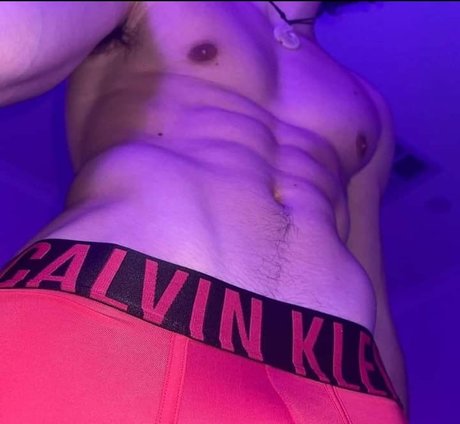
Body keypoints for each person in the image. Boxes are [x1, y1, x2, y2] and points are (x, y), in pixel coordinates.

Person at [0, 2, 408, 422]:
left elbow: (373, 287)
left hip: (336, 373)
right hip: (116, 319)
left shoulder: (371, 104)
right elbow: (13, 46)